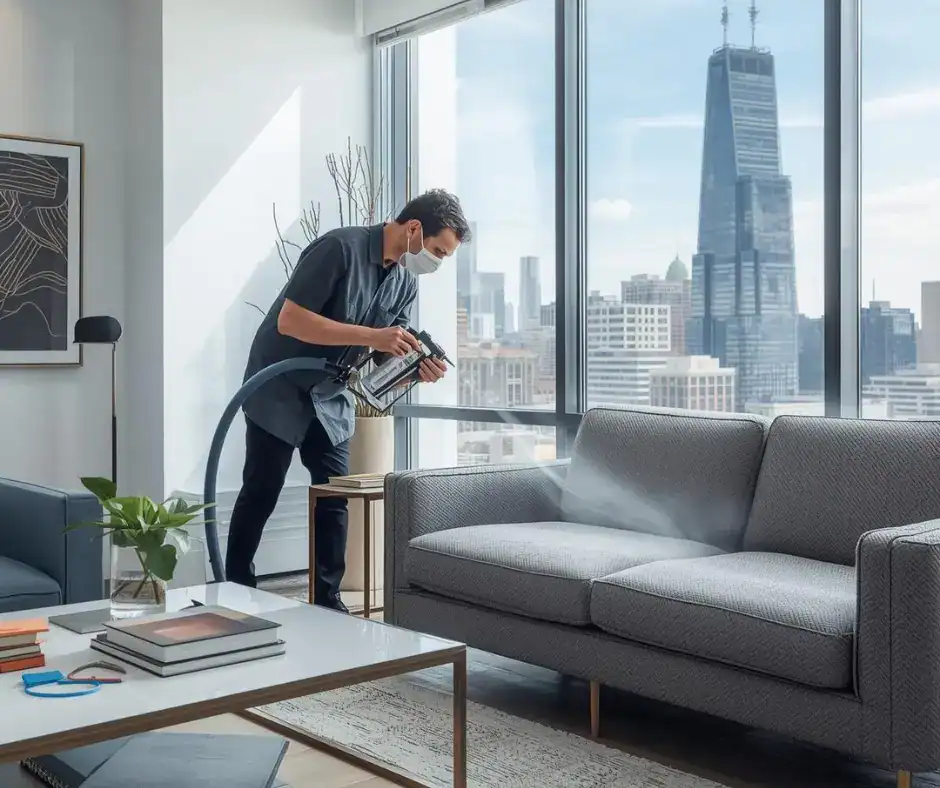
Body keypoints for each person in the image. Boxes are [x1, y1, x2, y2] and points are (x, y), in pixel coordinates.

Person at [225, 189, 471, 611]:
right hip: (278, 386)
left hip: (330, 395)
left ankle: (327, 600)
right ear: (414, 229)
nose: (437, 262)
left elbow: (380, 356)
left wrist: (414, 367)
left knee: (334, 494)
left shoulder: (404, 284)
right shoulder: (339, 248)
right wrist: (373, 336)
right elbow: (291, 319)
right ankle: (235, 589)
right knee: (262, 488)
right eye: (437, 251)